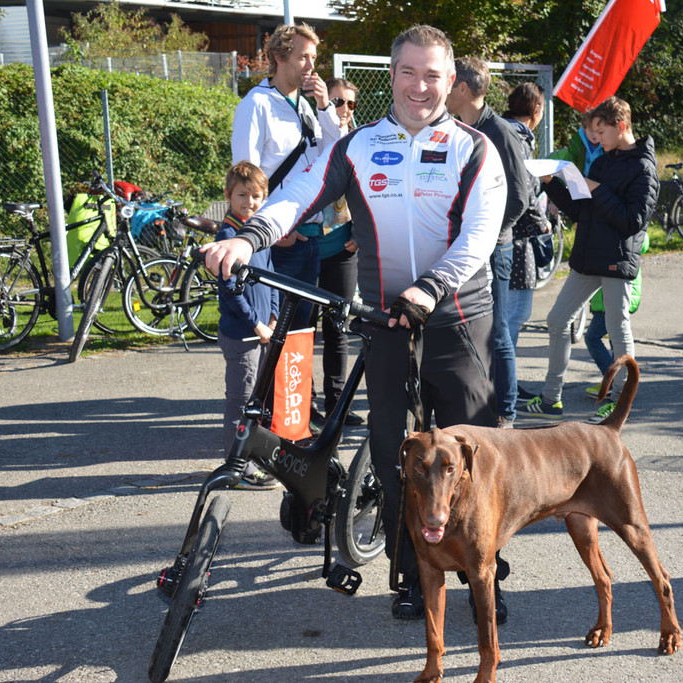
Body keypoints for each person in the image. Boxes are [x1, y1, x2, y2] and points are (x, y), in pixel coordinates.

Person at [202, 24, 509, 619]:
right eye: (408, 72)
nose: (419, 86)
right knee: (398, 455)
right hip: (385, 319)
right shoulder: (359, 146)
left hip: (458, 318)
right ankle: (413, 575)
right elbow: (297, 193)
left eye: (433, 75)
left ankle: (485, 575)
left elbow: (478, 236)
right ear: (391, 75)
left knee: (476, 457)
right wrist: (248, 238)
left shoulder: (475, 148)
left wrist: (430, 288)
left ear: (450, 80)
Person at [231, 23, 344, 427]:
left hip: (308, 235)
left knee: (300, 331)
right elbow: (245, 174)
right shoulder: (256, 104)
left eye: (314, 57)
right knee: (274, 331)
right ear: (279, 57)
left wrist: (326, 107)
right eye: (303, 57)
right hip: (277, 239)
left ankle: (295, 413)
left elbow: (336, 151)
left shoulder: (308, 106)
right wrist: (271, 229)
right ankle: (267, 419)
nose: (311, 65)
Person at [521, 96, 658, 423]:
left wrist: (597, 188)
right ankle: (551, 399)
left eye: (601, 132)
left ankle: (619, 402)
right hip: (587, 257)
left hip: (616, 260)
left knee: (617, 328)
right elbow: (581, 210)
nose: (596, 139)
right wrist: (551, 184)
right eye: (593, 133)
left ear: (620, 126)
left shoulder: (643, 168)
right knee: (557, 320)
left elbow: (632, 221)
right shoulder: (601, 162)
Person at [446, 56, 532, 428]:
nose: (442, 91)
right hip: (465, 247)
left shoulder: (500, 132)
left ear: (463, 89)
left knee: (497, 333)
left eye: (449, 83)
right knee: (473, 330)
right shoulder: (455, 128)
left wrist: (490, 234)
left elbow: (520, 196)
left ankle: (506, 415)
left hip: (494, 248)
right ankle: (483, 404)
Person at [216, 162, 280, 488]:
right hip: (242, 335)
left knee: (259, 402)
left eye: (256, 196)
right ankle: (237, 467)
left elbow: (271, 278)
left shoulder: (257, 235)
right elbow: (230, 291)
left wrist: (274, 316)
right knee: (240, 402)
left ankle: (253, 458)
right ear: (228, 195)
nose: (249, 202)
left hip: (264, 331)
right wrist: (256, 324)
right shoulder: (228, 236)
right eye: (242, 195)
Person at [313, 78, 363, 427]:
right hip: (307, 247)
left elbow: (372, 193)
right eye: (337, 102)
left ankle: (336, 405)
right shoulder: (311, 137)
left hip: (343, 249)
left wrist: (360, 232)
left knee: (337, 328)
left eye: (350, 103)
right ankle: (302, 406)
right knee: (301, 330)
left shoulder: (361, 143)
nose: (344, 109)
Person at [501, 82, 550, 359]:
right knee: (517, 311)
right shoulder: (518, 137)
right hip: (516, 237)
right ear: (537, 109)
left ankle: (499, 374)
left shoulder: (504, 130)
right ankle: (501, 376)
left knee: (507, 311)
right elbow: (525, 193)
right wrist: (542, 225)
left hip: (506, 234)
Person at [583, 231, 648, 396]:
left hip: (613, 297)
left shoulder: (629, 234)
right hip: (605, 298)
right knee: (615, 340)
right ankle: (617, 382)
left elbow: (643, 243)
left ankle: (612, 380)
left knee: (592, 338)